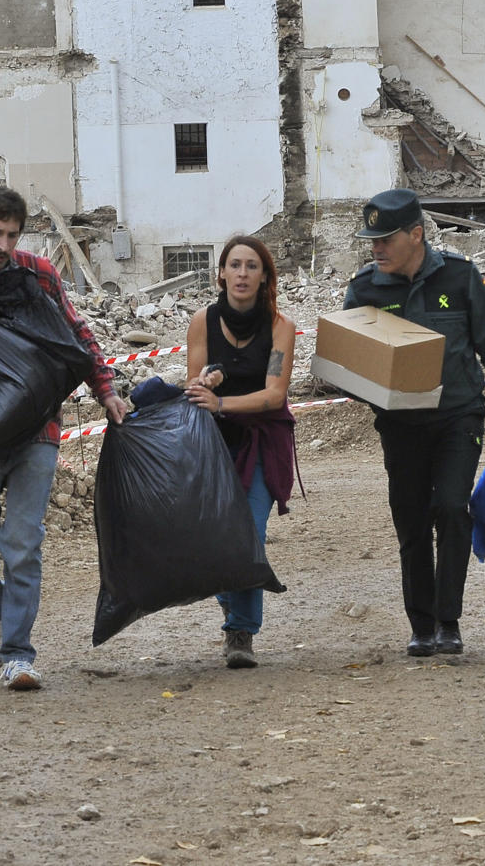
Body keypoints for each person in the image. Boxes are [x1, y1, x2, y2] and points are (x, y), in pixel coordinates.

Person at [0, 185, 128, 690]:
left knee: (22, 543)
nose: (3, 245)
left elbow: (76, 335)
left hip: (38, 428)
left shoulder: (37, 275)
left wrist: (105, 389)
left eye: (12, 234)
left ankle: (18, 653)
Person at [344, 189, 485, 658]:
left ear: (416, 234)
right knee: (412, 523)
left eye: (385, 239)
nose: (375, 248)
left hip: (459, 415)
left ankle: (448, 621)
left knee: (453, 508)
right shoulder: (365, 289)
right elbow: (350, 365)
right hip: (400, 425)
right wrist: (364, 387)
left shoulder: (459, 277)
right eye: (370, 239)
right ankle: (421, 624)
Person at [184, 235, 299, 670]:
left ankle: (240, 631)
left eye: (252, 266)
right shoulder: (202, 321)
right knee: (215, 537)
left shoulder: (279, 327)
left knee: (248, 532)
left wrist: (223, 403)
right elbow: (193, 385)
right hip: (212, 444)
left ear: (265, 276)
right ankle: (232, 598)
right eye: (235, 265)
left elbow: (274, 395)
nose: (243, 274)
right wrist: (208, 382)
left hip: (262, 439)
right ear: (221, 273)